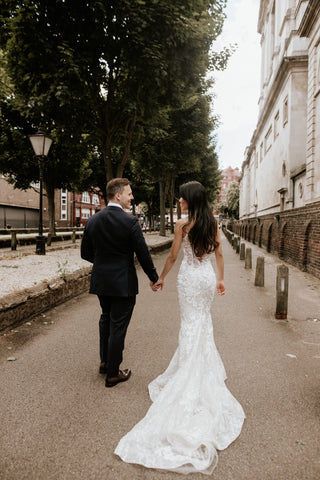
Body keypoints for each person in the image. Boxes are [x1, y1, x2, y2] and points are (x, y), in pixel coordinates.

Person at [115, 181, 245, 474]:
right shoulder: (212, 225)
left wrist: (160, 278)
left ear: (190, 200)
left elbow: (173, 256)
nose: (179, 201)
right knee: (203, 324)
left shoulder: (183, 226)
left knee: (190, 325)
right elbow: (220, 255)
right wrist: (221, 279)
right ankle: (200, 368)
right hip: (206, 278)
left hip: (188, 279)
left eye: (182, 198)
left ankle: (188, 371)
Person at [80, 178, 159, 388]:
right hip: (123, 283)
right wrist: (154, 277)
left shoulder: (93, 220)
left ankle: (105, 362)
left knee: (105, 318)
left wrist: (103, 264)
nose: (132, 197)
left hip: (101, 281)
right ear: (118, 196)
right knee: (118, 326)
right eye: (129, 193)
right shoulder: (130, 221)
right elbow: (143, 254)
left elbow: (85, 253)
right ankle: (113, 373)